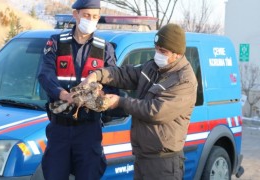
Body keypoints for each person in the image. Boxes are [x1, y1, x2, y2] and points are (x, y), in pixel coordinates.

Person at [81, 23, 198, 180]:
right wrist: (97, 75)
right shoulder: (153, 67)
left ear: (177, 54)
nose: (158, 54)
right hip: (143, 157)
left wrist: (120, 102)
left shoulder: (184, 81)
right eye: (156, 48)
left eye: (163, 51)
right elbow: (125, 74)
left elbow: (155, 111)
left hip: (164, 163)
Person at [37, 0, 117, 179]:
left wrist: (102, 97)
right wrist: (63, 94)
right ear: (76, 15)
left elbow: (114, 85)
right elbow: (45, 75)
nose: (91, 20)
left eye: (95, 17)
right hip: (60, 127)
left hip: (89, 130)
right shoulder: (56, 43)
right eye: (87, 15)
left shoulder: (105, 49)